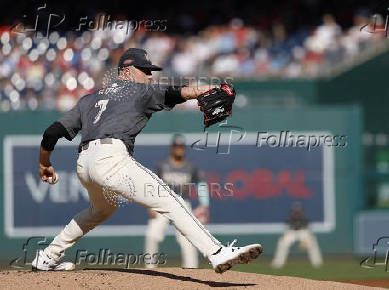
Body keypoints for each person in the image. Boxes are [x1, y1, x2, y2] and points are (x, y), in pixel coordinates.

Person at [32, 48, 262, 273]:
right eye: (144, 69)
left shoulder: (90, 99)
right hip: (111, 159)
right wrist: (212, 88)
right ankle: (216, 252)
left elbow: (51, 133)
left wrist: (44, 163)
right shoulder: (138, 91)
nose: (149, 75)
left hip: (85, 164)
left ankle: (48, 256)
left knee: (101, 210)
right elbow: (178, 93)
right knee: (171, 200)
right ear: (127, 70)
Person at [145, 134, 209, 269]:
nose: (179, 149)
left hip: (183, 204)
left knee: (187, 238)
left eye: (181, 146)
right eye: (177, 146)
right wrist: (150, 205)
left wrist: (204, 205)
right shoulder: (162, 165)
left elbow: (201, 184)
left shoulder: (191, 166)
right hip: (162, 203)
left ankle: (191, 270)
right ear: (172, 148)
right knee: (152, 235)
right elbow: (151, 186)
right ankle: (150, 269)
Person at [271, 202, 323, 268]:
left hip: (303, 232)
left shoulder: (304, 219)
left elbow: (308, 229)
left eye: (298, 210)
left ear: (301, 211)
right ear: (293, 211)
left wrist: (305, 241)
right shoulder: (290, 218)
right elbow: (287, 227)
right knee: (282, 242)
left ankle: (317, 262)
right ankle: (278, 262)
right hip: (291, 232)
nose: (297, 212)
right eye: (295, 210)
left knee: (312, 241)